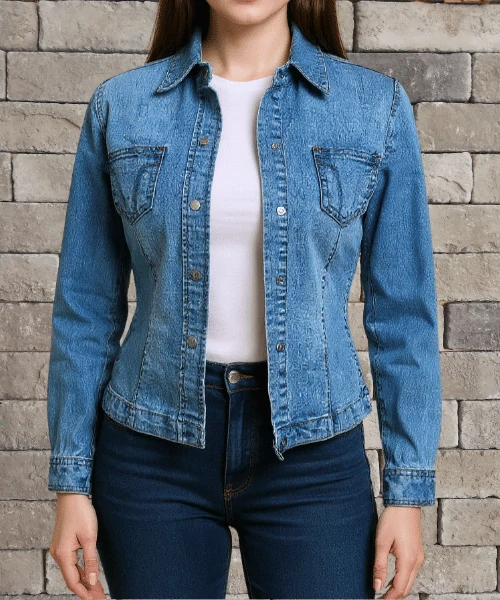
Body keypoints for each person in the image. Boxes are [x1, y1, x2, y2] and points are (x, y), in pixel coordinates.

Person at [46, 0, 442, 598]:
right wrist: (71, 483)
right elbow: (85, 307)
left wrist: (407, 494)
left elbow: (404, 315)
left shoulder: (372, 108)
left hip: (312, 450)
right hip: (151, 450)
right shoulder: (121, 107)